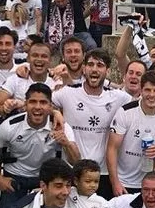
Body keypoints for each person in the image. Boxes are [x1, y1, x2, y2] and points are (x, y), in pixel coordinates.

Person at [51, 49, 132, 198]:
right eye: (90, 64)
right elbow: (40, 102)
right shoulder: (67, 93)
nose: (94, 69)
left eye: (100, 65)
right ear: (84, 68)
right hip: (71, 171)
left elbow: (143, 103)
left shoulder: (119, 97)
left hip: (102, 173)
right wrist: (55, 112)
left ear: (107, 70)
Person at [0, 82, 79, 208]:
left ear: (50, 106)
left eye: (43, 102)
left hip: (47, 179)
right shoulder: (10, 126)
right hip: (14, 177)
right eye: (33, 102)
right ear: (25, 104)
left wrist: (66, 143)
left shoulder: (61, 127)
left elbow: (76, 161)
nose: (37, 107)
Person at [107, 70, 155, 195]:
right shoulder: (125, 112)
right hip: (124, 182)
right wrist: (115, 182)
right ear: (141, 90)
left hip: (150, 184)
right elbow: (112, 148)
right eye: (147, 90)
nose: (151, 95)